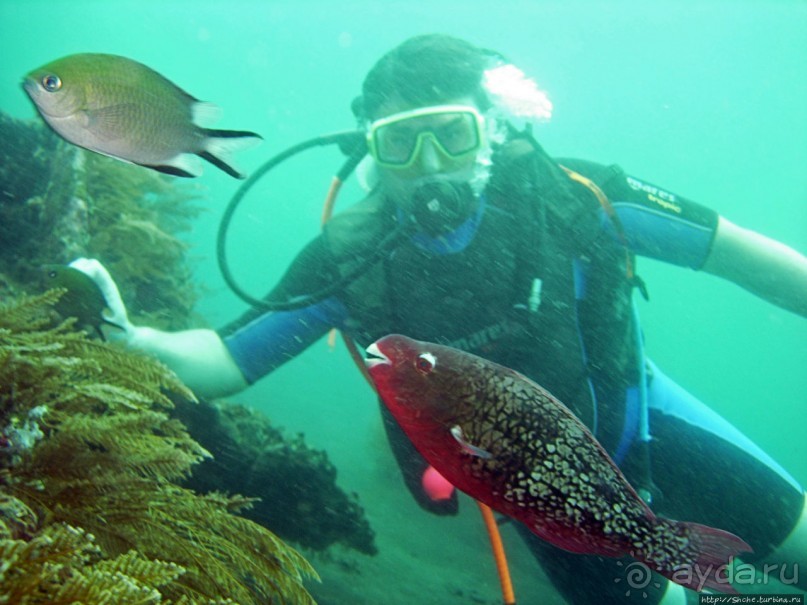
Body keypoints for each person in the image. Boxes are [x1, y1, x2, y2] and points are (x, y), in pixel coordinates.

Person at [75, 34, 807, 604]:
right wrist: (131, 337)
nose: (427, 165)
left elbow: (746, 259)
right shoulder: (350, 254)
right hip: (544, 503)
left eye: (450, 134)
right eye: (399, 142)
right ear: (372, 150)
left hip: (646, 421)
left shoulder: (578, 195)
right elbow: (225, 362)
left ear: (491, 129)